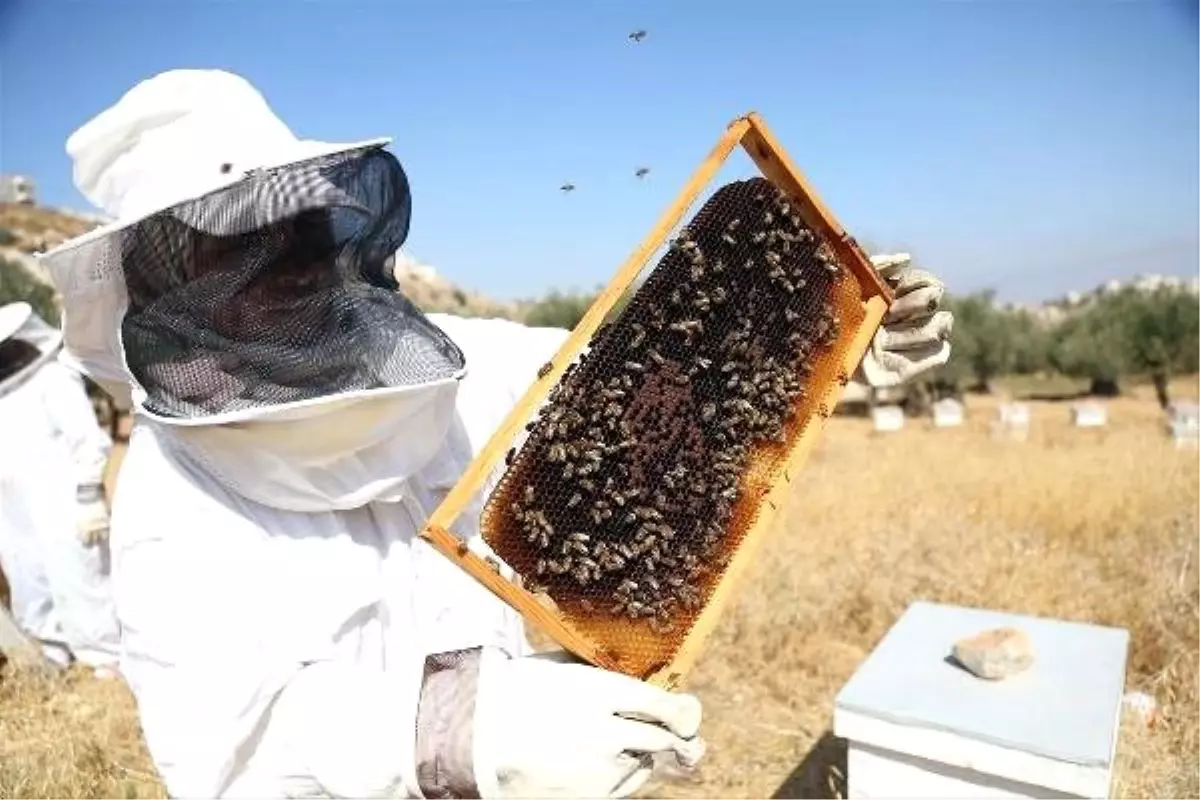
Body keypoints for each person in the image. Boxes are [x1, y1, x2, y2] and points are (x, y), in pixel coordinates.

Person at [38, 70, 952, 799]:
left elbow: (644, 380)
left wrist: (817, 346)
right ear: (162, 280)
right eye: (234, 242)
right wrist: (456, 735)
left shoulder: (461, 360)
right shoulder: (173, 497)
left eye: (296, 222)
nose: (283, 255)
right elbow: (223, 760)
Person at [0, 301, 120, 673]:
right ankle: (54, 651)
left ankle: (105, 661)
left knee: (82, 580)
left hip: (64, 504)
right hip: (14, 509)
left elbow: (88, 441)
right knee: (29, 577)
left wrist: (89, 494)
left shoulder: (53, 378)